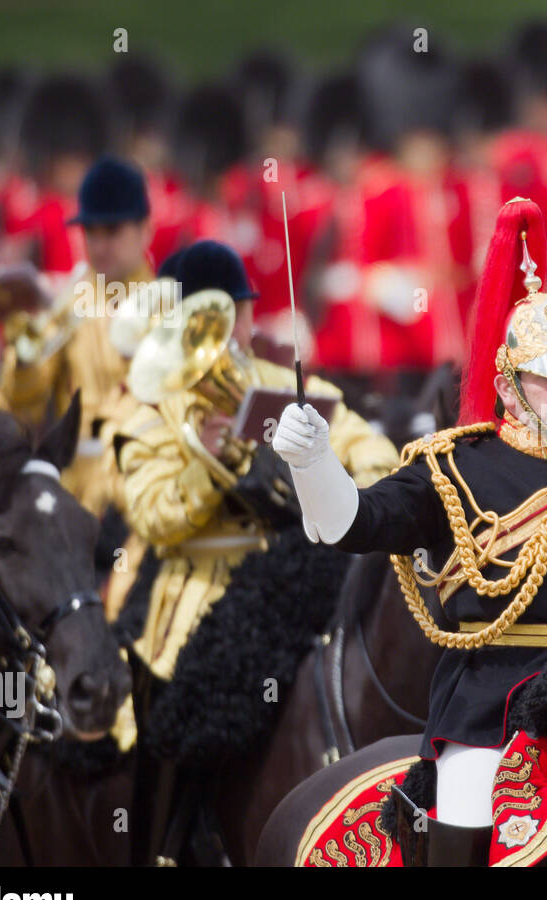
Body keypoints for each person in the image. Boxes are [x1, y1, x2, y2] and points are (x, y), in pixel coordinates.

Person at [271, 198, 547, 865]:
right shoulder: (455, 466)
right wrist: (312, 464)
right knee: (471, 795)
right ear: (508, 386)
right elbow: (353, 523)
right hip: (497, 702)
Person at [112, 240, 398, 862]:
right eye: (208, 315)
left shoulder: (287, 387)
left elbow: (367, 447)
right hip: (195, 595)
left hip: (296, 581)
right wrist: (209, 462)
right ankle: (164, 842)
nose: (230, 330)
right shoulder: (151, 409)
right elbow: (153, 515)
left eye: (236, 311)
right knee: (164, 717)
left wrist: (341, 483)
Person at [0, 154, 155, 517]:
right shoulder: (69, 303)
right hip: (77, 498)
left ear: (146, 229)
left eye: (112, 232)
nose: (99, 246)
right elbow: (18, 407)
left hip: (148, 488)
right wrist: (23, 362)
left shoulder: (168, 305)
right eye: (90, 233)